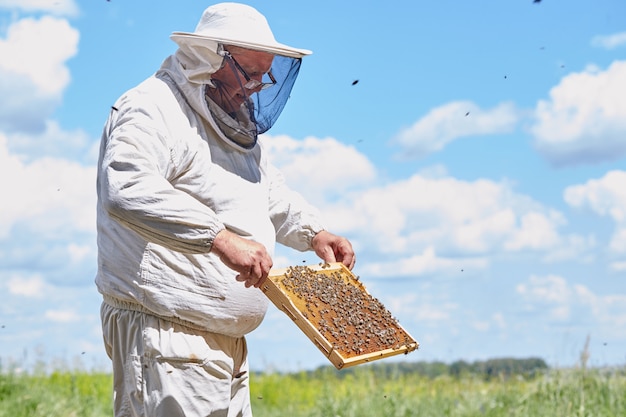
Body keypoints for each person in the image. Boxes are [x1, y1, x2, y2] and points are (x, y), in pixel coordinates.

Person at [95, 3, 355, 416]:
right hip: (166, 335)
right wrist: (219, 238)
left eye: (265, 76)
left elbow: (266, 193)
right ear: (209, 58)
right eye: (249, 74)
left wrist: (315, 233)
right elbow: (126, 186)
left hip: (224, 343)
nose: (257, 87)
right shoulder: (152, 107)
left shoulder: (232, 120)